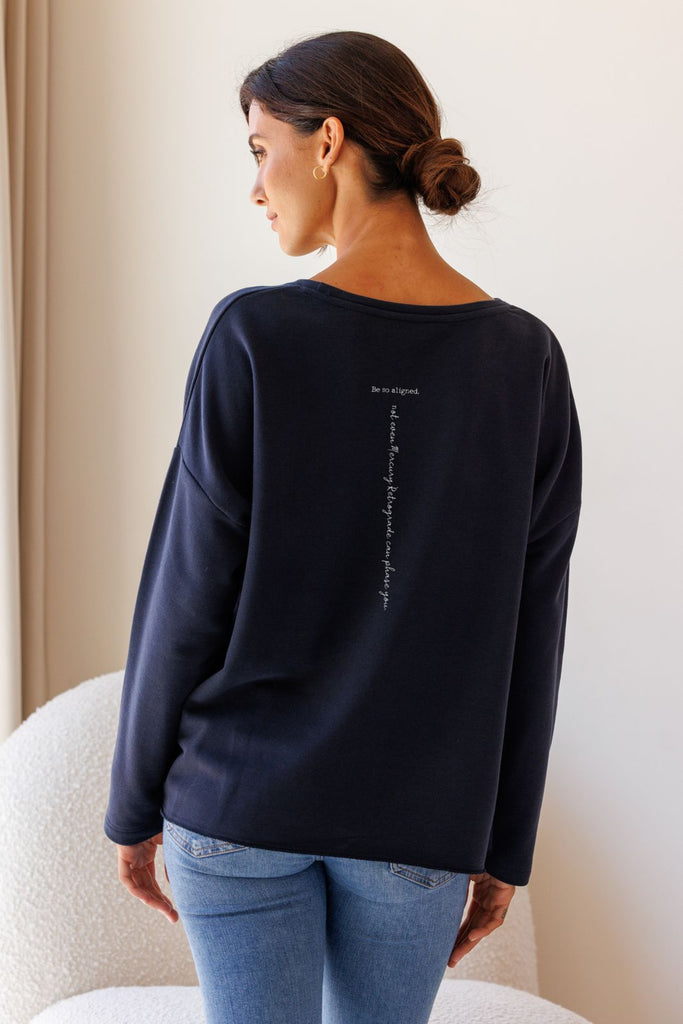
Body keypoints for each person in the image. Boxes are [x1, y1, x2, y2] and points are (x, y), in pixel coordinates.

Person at [104, 29, 582, 1024]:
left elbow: (186, 592)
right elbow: (533, 623)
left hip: (239, 804)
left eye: (259, 150)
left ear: (326, 142)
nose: (255, 187)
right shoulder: (525, 360)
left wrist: (133, 804)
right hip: (419, 824)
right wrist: (503, 843)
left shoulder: (252, 334)